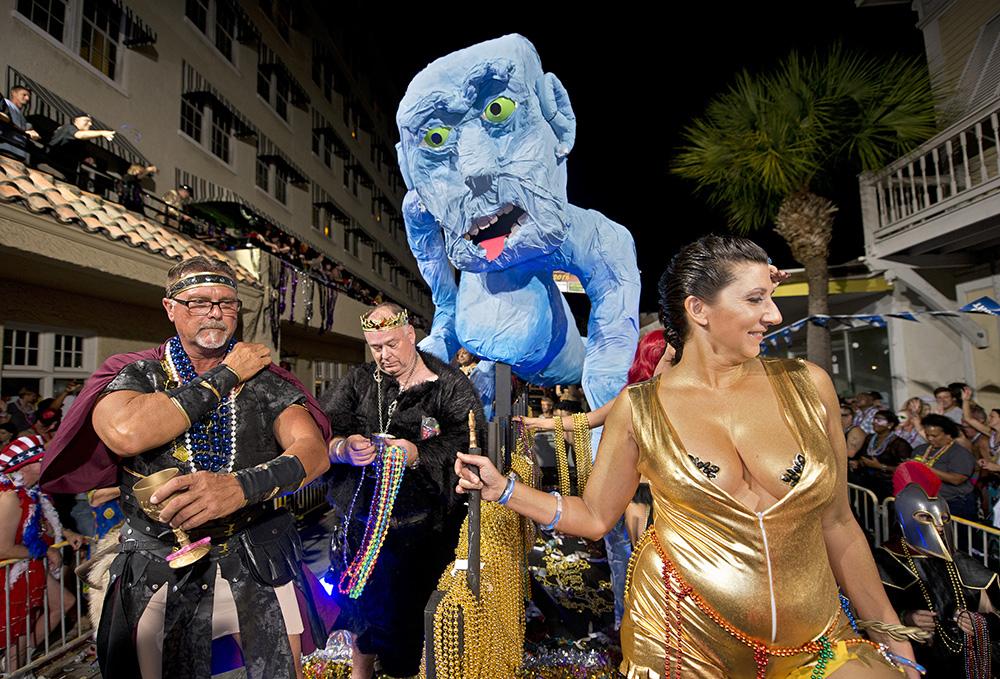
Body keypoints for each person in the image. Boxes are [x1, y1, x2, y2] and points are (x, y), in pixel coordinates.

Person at [456, 235, 918, 678]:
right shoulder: (641, 407)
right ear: (698, 309)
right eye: (755, 299)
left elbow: (838, 523)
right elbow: (596, 516)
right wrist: (504, 489)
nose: (774, 315)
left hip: (816, 640)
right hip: (682, 639)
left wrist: (893, 637)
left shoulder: (808, 386)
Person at [38, 255, 333, 679]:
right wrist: (228, 374)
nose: (214, 311)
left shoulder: (269, 382)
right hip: (158, 565)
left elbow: (311, 450)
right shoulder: (138, 374)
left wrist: (241, 487)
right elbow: (126, 433)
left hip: (254, 558)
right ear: (170, 308)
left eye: (226, 303)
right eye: (198, 301)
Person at [320, 302, 484, 679]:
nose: (384, 356)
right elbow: (327, 429)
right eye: (375, 347)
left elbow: (471, 442)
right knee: (361, 613)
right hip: (360, 527)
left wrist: (417, 453)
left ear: (411, 335)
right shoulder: (360, 381)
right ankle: (360, 673)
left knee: (412, 622)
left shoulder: (448, 385)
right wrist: (346, 447)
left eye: (392, 344)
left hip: (424, 530)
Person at [875, 461, 1000, 677]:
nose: (940, 526)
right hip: (917, 664)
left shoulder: (962, 562)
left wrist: (981, 623)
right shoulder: (884, 562)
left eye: (944, 518)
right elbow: (867, 617)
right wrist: (906, 618)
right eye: (925, 517)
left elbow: (995, 611)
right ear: (905, 518)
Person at [0, 435, 83, 670]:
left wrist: (64, 532)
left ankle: (16, 664)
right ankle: (14, 668)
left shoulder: (31, 492)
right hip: (11, 572)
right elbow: (2, 548)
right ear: (25, 466)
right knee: (22, 626)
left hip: (28, 565)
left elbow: (39, 524)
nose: (45, 464)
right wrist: (45, 552)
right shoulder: (8, 498)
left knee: (63, 604)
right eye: (40, 461)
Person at [913, 414, 978, 521]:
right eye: (927, 435)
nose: (930, 438)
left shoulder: (959, 453)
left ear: (948, 435)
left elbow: (957, 479)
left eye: (934, 436)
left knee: (957, 536)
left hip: (954, 503)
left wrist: (926, 469)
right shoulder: (920, 450)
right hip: (927, 502)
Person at [848, 409, 912, 500]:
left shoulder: (900, 444)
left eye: (880, 420)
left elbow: (907, 469)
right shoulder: (869, 438)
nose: (874, 422)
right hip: (868, 484)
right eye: (874, 419)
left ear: (890, 425)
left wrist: (880, 466)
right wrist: (858, 462)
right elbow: (863, 456)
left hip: (889, 487)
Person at [48, 114, 115, 187]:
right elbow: (79, 135)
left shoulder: (81, 142)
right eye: (86, 121)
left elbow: (81, 154)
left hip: (66, 176)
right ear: (75, 121)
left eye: (91, 122)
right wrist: (102, 133)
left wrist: (88, 158)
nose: (90, 124)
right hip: (51, 169)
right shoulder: (68, 127)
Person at [0, 86, 41, 161]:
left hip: (18, 155)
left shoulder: (23, 118)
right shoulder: (6, 103)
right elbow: (4, 120)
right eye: (24, 95)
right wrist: (25, 132)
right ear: (14, 93)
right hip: (5, 151)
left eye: (28, 96)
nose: (27, 98)